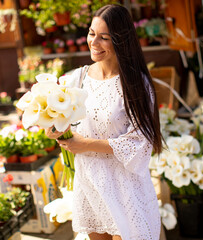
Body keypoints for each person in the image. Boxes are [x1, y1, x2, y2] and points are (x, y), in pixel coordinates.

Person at [45, 4, 162, 240]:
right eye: (91, 33)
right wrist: (54, 129)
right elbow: (59, 120)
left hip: (125, 189)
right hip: (89, 184)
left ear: (121, 40)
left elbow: (141, 142)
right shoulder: (76, 79)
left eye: (104, 38)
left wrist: (85, 144)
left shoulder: (136, 84)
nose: (94, 43)